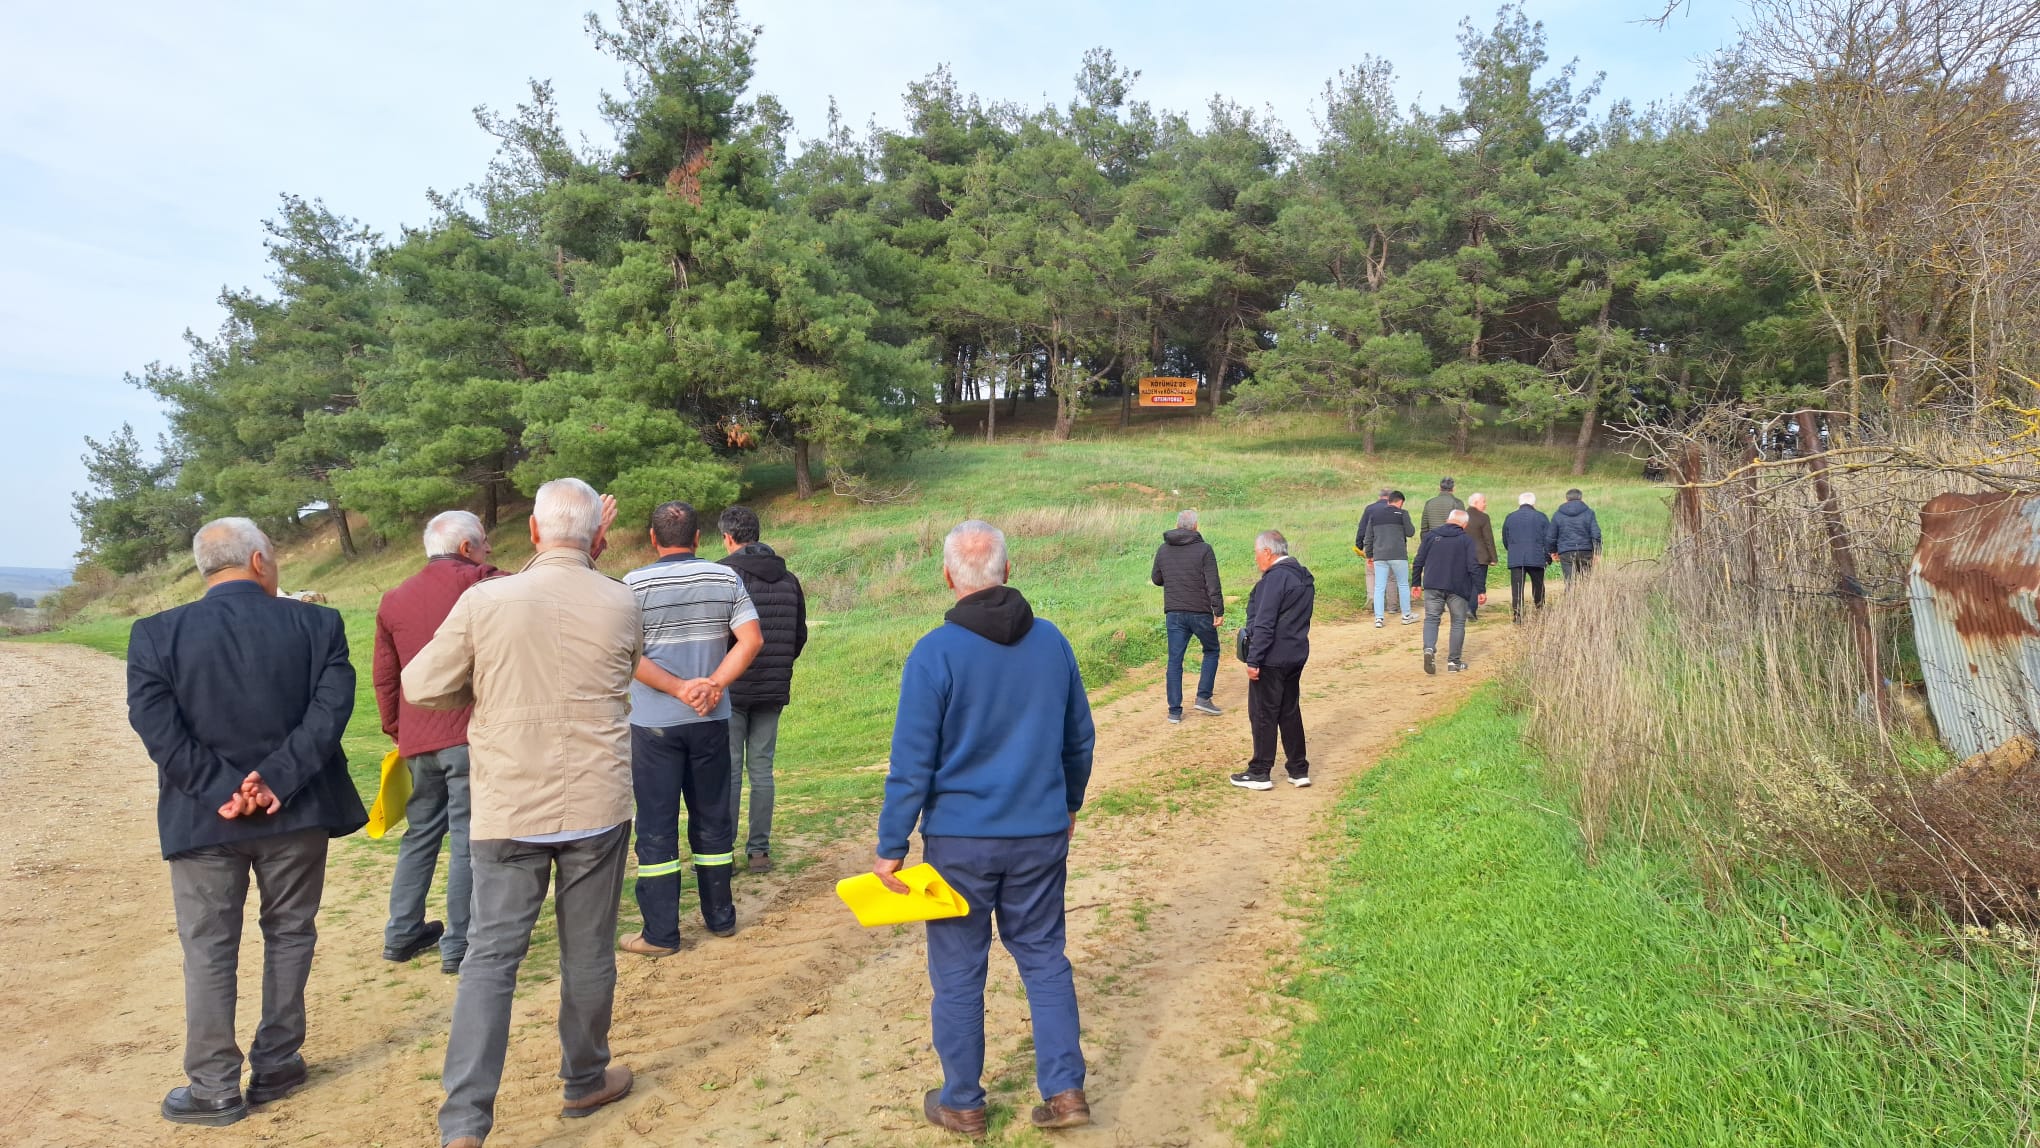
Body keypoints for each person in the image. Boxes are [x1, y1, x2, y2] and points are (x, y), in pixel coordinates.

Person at [404, 478, 641, 1148]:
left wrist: (486, 683)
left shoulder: (486, 601)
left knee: (491, 958)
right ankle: (584, 1076)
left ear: (533, 533)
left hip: (508, 802)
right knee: (588, 950)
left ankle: (464, 1124)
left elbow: (423, 685)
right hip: (594, 801)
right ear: (597, 537)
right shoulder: (621, 600)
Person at [127, 517, 367, 1127]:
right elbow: (330, 712)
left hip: (204, 819)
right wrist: (277, 780)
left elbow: (158, 730)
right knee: (290, 934)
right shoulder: (319, 625)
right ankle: (279, 1063)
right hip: (298, 810)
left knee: (208, 949)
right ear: (260, 561)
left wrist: (223, 790)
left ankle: (213, 1088)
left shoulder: (156, 634)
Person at [874, 520, 1096, 1137]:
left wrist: (891, 845)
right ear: (1008, 568)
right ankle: (1066, 1091)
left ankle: (964, 1100)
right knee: (1044, 957)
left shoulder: (935, 652)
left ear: (949, 577)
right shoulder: (1051, 642)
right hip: (1040, 833)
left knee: (959, 970)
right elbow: (1079, 736)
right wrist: (1069, 803)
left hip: (960, 843)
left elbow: (911, 761)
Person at [620, 501, 764, 953]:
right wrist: (714, 685)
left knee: (657, 825)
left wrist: (679, 689)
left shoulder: (632, 585)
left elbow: (626, 654)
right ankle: (721, 917)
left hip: (653, 725)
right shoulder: (725, 577)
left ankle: (661, 933)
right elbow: (752, 639)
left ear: (652, 537)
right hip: (711, 721)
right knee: (712, 820)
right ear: (698, 537)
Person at [373, 510, 502, 974]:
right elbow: (544, 584)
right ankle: (459, 944)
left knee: (420, 834)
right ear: (467, 548)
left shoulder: (393, 598)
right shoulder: (484, 582)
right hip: (467, 732)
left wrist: (398, 730)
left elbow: (385, 678)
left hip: (418, 736)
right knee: (467, 840)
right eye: (485, 543)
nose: (490, 550)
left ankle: (402, 933)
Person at [716, 505, 808, 874]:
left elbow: (719, 634)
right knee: (762, 770)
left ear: (728, 537)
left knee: (730, 770)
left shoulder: (723, 576)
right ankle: (759, 852)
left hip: (733, 688)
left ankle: (722, 852)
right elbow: (799, 635)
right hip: (773, 688)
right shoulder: (789, 579)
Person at [1232, 530, 1315, 791]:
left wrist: (1254, 660)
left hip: (1271, 658)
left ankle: (1260, 772)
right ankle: (1298, 769)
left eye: (1257, 554)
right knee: (1289, 711)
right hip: (1295, 653)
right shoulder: (1303, 576)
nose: (1256, 560)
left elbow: (1264, 623)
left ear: (1267, 552)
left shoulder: (1274, 579)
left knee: (1263, 713)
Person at [1151, 508, 1225, 724]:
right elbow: (1213, 583)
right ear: (1195, 526)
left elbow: (1156, 579)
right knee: (1211, 649)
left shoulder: (1163, 550)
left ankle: (1174, 711)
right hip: (1200, 612)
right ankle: (1203, 697)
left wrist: (1174, 577)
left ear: (1176, 525)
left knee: (1175, 660)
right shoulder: (1204, 549)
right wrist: (1218, 610)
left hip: (1173, 613)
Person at [1412, 509, 1485, 675]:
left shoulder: (1431, 536)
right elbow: (1473, 566)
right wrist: (1480, 589)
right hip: (1457, 587)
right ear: (1464, 525)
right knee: (1458, 622)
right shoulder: (1466, 540)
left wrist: (1416, 582)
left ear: (1447, 520)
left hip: (1432, 584)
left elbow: (1419, 560)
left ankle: (1429, 649)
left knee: (1431, 618)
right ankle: (1454, 662)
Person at [1360, 491, 1416, 628]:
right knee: (1402, 585)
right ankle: (1406, 616)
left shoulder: (1374, 515)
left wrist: (1369, 555)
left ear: (1388, 501)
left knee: (1379, 587)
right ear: (1400, 502)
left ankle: (1379, 618)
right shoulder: (1403, 514)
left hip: (1380, 556)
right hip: (1398, 555)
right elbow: (1410, 532)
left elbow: (1368, 537)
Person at [1503, 492, 1552, 622]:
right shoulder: (1541, 517)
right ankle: (1540, 609)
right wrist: (1548, 556)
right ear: (1533, 503)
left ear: (1519, 503)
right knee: (1538, 584)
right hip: (1536, 556)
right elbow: (1548, 538)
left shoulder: (1510, 517)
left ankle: (1517, 615)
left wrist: (1512, 550)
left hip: (1516, 557)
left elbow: (1505, 538)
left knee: (1517, 586)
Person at [1548, 488, 1604, 584]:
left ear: (1566, 500)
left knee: (1569, 583)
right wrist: (1597, 551)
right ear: (1581, 499)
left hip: (1566, 552)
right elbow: (1596, 534)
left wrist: (1553, 551)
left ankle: (1570, 598)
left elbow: (1551, 536)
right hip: (1586, 551)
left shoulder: (1557, 515)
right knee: (1586, 582)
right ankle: (1587, 599)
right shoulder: (1589, 513)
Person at [1353, 488, 1392, 599]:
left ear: (1379, 496)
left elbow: (1362, 529)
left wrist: (1359, 545)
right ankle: (1390, 601)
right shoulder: (1393, 508)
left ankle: (1371, 597)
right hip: (1389, 545)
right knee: (1389, 574)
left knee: (1371, 573)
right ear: (1391, 497)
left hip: (1371, 545)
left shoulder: (1369, 508)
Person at [1465, 493, 1497, 621]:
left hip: (1464, 555)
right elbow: (1488, 539)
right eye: (1483, 501)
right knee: (1477, 584)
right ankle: (1471, 610)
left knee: (1465, 582)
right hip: (1480, 556)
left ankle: (1463, 609)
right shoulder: (1483, 517)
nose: (1485, 504)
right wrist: (1493, 558)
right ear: (1476, 502)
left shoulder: (1462, 515)